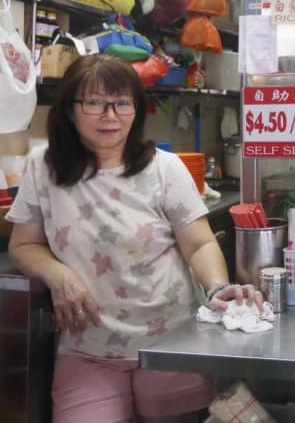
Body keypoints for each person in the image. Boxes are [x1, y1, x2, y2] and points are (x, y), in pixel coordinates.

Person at [5, 54, 262, 423]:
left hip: (171, 342)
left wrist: (218, 286)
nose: (110, 115)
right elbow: (24, 244)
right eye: (94, 103)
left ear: (136, 110)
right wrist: (59, 274)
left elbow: (200, 243)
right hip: (86, 347)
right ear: (70, 110)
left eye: (122, 103)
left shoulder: (164, 169)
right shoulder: (42, 166)